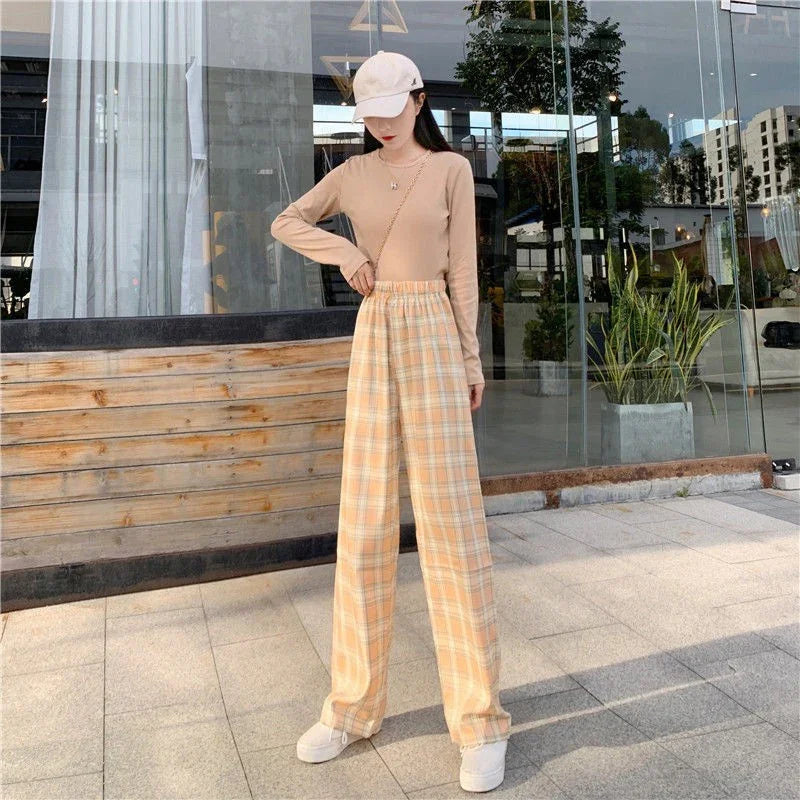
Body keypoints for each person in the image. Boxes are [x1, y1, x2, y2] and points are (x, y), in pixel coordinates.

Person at [270, 50, 511, 793]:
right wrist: (343, 251)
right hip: (375, 332)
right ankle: (351, 707)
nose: (380, 125)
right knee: (366, 519)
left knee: (452, 524)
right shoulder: (349, 175)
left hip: (435, 329)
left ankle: (479, 720)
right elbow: (286, 221)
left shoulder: (451, 170)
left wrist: (471, 360)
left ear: (418, 100)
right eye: (368, 115)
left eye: (391, 110)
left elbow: (463, 271)